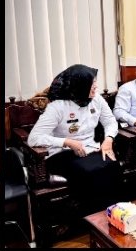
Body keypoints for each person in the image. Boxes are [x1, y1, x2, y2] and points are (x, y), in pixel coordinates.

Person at [27, 64, 123, 213]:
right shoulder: (58, 107)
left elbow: (110, 121)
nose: (95, 87)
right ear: (79, 86)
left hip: (89, 148)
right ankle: (91, 216)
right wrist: (67, 142)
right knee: (89, 173)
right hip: (61, 153)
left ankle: (115, 213)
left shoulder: (97, 99)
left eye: (95, 82)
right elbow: (34, 138)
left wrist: (108, 139)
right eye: (91, 83)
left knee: (112, 166)